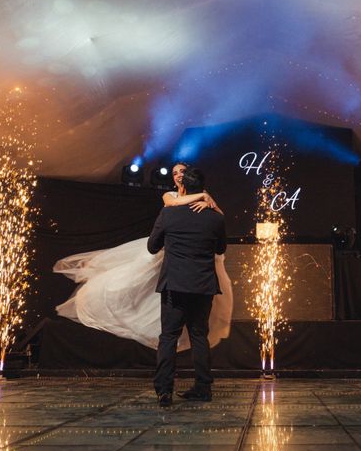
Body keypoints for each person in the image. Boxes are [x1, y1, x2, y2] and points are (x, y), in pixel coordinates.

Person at [53, 163, 232, 353]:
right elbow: (172, 204)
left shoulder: (204, 195)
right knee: (135, 282)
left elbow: (219, 218)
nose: (178, 175)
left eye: (182, 172)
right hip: (172, 254)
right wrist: (201, 197)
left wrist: (207, 202)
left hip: (192, 259)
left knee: (190, 318)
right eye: (175, 173)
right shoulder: (171, 196)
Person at [147, 167, 226, 406]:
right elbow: (221, 249)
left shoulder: (168, 214)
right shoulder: (215, 217)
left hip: (175, 285)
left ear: (182, 187)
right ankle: (203, 388)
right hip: (203, 286)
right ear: (202, 189)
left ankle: (164, 391)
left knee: (168, 337)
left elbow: (152, 246)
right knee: (199, 335)